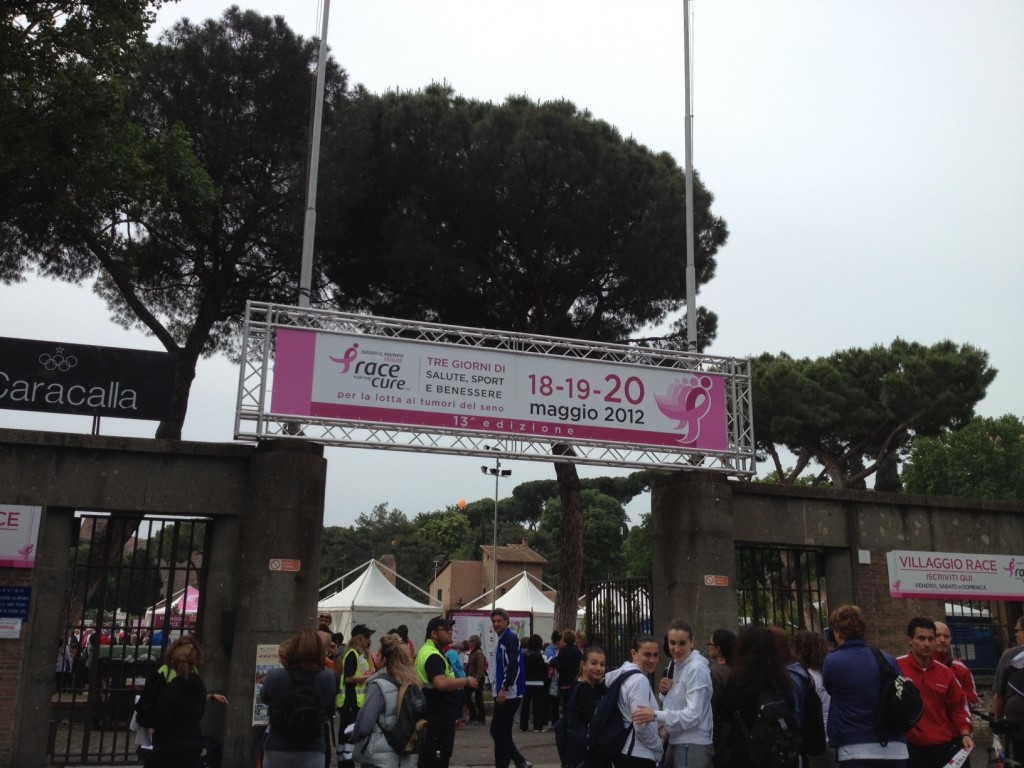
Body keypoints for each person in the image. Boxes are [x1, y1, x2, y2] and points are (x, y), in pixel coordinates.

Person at [822, 604, 908, 766]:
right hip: (895, 747)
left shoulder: (832, 661)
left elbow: (831, 689)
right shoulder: (886, 658)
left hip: (855, 747)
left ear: (837, 632)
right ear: (862, 630)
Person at [897, 617, 972, 768]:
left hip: (942, 748)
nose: (927, 643)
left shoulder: (946, 673)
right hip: (908, 749)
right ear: (909, 640)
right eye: (921, 638)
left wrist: (965, 733)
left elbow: (958, 707)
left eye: (931, 639)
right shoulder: (896, 667)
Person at [717, 625, 797, 768]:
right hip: (775, 751)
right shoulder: (781, 679)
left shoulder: (737, 680)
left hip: (744, 751)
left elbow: (723, 711)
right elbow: (790, 706)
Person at [260, 630, 337, 768]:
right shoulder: (328, 677)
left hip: (278, 746)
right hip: (313, 748)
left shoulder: (277, 676)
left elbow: (265, 698)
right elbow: (330, 706)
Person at [149, 635, 228, 768]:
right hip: (192, 742)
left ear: (173, 660)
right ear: (195, 661)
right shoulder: (199, 685)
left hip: (169, 745)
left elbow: (161, 717)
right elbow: (197, 707)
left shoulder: (171, 687)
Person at [351, 633, 422, 768]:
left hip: (379, 757)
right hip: (407, 755)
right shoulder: (414, 684)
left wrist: (354, 735)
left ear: (383, 658)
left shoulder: (378, 685)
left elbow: (364, 725)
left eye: (378, 654)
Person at [415, 617, 478, 768]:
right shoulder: (432, 655)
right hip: (438, 718)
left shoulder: (432, 651)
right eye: (446, 629)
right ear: (434, 633)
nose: (451, 632)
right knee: (436, 759)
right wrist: (467, 681)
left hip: (438, 716)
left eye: (451, 629)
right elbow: (441, 683)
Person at [649, 620, 713, 768]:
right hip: (679, 742)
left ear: (692, 642)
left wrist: (655, 714)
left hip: (692, 744)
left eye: (682, 643)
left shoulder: (695, 668)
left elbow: (694, 714)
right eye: (672, 643)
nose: (676, 649)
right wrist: (666, 693)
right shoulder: (676, 664)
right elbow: (678, 703)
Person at [609, 633, 662, 768]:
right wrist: (658, 746)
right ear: (634, 653)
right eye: (647, 654)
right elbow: (641, 725)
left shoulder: (623, 673)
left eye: (655, 655)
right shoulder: (639, 680)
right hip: (638, 755)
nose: (652, 660)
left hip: (624, 752)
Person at [490, 608, 530, 768]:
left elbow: (513, 666)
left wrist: (504, 688)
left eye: (499, 621)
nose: (496, 624)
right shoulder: (503, 639)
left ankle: (519, 760)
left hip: (509, 693)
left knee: (497, 731)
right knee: (502, 732)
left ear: (506, 621)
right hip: (505, 692)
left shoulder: (509, 639)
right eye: (494, 621)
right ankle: (504, 763)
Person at [558, 646, 607, 768]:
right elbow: (598, 721)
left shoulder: (581, 685)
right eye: (594, 663)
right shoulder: (585, 691)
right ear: (583, 665)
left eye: (602, 664)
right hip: (585, 756)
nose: (598, 668)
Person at [337, 624, 376, 768]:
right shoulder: (352, 653)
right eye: (367, 637)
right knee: (348, 734)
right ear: (359, 638)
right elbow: (348, 678)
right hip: (350, 701)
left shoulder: (360, 654)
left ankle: (344, 760)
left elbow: (366, 672)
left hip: (355, 701)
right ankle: (346, 762)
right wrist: (367, 677)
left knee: (346, 735)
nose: (369, 640)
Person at [992, 617, 1024, 760]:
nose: (1016, 634)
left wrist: (997, 722)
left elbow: (999, 694)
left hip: (1018, 728)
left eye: (1017, 630)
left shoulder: (1010, 655)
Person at [706, 628, 736, 768]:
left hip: (722, 735)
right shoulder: (738, 669)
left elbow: (713, 711)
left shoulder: (715, 673)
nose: (708, 647)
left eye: (710, 644)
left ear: (717, 649)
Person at [931, 621, 979, 708]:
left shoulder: (960, 668)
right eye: (937, 636)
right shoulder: (919, 665)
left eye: (946, 636)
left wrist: (952, 694)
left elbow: (974, 700)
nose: (942, 640)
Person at [521, 634, 549, 733]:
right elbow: (543, 669)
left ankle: (523, 725)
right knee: (537, 705)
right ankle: (537, 726)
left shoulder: (524, 655)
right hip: (538, 683)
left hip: (526, 682)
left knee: (525, 704)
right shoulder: (538, 656)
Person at [556, 630, 583, 712]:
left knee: (565, 702)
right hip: (575, 678)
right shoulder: (577, 651)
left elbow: (558, 666)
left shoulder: (562, 651)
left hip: (564, 680)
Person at [465, 634, 487, 725]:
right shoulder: (472, 652)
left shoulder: (478, 653)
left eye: (471, 641)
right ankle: (475, 716)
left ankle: (480, 717)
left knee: (476, 697)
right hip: (471, 678)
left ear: (475, 642)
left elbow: (480, 668)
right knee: (469, 696)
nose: (469, 642)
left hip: (478, 678)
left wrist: (476, 680)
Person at [545, 630, 564, 721]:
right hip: (553, 677)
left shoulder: (563, 649)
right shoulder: (550, 649)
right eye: (562, 640)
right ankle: (554, 719)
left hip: (561, 677)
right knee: (554, 699)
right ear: (557, 641)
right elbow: (549, 660)